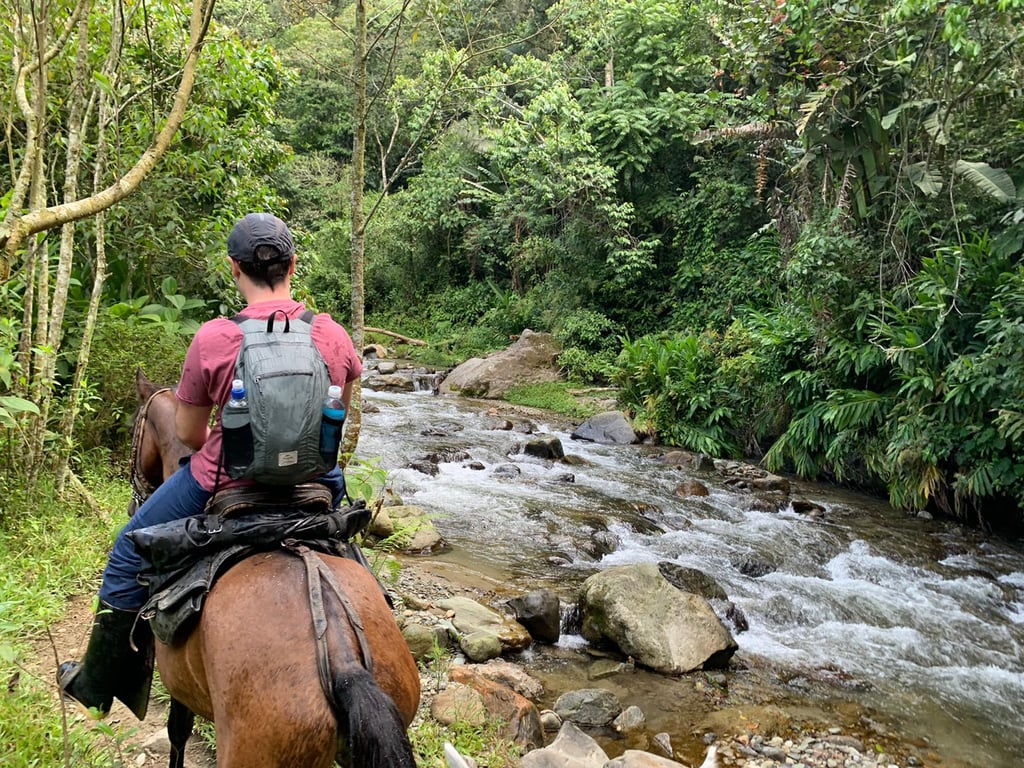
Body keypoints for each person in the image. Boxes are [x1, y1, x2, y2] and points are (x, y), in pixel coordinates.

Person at [58, 212, 362, 718]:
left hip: (225, 481)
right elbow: (337, 417)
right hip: (314, 480)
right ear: (292, 265)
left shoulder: (215, 337)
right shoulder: (333, 334)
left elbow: (189, 434)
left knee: (128, 550)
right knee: (349, 539)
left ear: (233, 268)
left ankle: (96, 684)